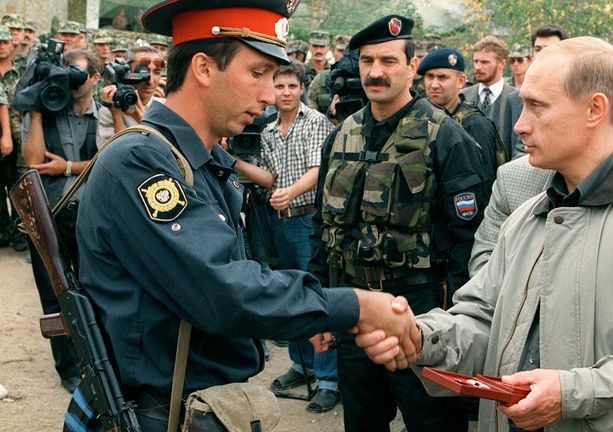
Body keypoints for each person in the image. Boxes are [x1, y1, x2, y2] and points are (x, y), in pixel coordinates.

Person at [357, 36, 613, 432]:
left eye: (537, 107)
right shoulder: (527, 219)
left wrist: (575, 393)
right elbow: (486, 320)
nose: (519, 124)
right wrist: (422, 336)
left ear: (595, 109)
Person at [75, 2, 419, 431]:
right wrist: (354, 304)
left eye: (274, 79)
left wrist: (301, 313)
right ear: (202, 68)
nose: (270, 95)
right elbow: (223, 291)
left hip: (194, 404)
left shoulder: (202, 159)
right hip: (153, 413)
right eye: (257, 73)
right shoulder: (143, 161)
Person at [309, 14, 490, 432]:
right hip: (353, 309)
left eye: (389, 61)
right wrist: (317, 308)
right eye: (367, 61)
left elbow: (469, 241)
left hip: (419, 311)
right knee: (361, 420)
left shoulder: (446, 137)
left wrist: (456, 324)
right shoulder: (341, 136)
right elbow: (323, 227)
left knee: (432, 422)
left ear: (412, 67)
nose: (376, 71)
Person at [236, 60, 342, 413]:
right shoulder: (266, 130)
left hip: (306, 217)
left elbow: (318, 170)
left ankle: (328, 379)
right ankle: (301, 364)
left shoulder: (315, 122)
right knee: (286, 292)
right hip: (276, 220)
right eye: (278, 86)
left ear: (302, 89)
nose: (284, 93)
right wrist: (230, 159)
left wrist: (290, 193)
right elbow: (269, 178)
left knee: (314, 293)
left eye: (291, 87)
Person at [20, 49, 101, 393]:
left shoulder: (106, 114)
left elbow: (112, 157)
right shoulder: (49, 106)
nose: (69, 81)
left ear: (95, 78)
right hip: (49, 212)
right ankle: (67, 367)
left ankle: (97, 360)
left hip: (91, 212)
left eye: (78, 74)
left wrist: (67, 167)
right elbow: (34, 160)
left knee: (95, 288)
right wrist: (37, 107)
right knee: (55, 293)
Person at [418, 47, 507, 181]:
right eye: (430, 77)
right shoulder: (418, 117)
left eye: (442, 77)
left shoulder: (475, 124)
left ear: (461, 81)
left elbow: (486, 182)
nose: (434, 85)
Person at [501, 24, 569, 158]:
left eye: (550, 49)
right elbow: (508, 152)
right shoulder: (514, 99)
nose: (543, 53)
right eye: (538, 49)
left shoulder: (576, 96)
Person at [97, 45, 165, 147]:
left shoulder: (166, 108)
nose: (150, 81)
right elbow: (113, 156)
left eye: (156, 72)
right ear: (127, 72)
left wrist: (143, 119)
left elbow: (168, 152)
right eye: (142, 72)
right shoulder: (109, 110)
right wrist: (117, 115)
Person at [0, 24, 25, 251]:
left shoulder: (21, 72)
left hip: (17, 137)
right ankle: (2, 231)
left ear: (11, 45)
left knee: (17, 184)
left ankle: (19, 233)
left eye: (5, 42)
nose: (1, 47)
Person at [460, 36, 513, 139]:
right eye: (476, 61)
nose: (478, 67)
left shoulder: (516, 99)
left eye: (484, 62)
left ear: (502, 64)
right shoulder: (462, 96)